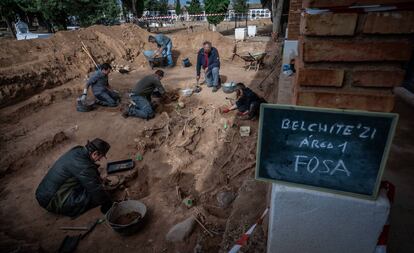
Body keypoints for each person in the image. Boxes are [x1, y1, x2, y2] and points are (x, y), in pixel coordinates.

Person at [35, 138, 113, 217]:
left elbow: (90, 172)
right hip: (50, 200)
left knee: (93, 185)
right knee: (96, 194)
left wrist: (98, 179)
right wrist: (107, 202)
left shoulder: (78, 151)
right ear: (95, 153)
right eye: (101, 157)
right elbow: (94, 188)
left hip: (42, 193)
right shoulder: (82, 165)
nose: (99, 160)